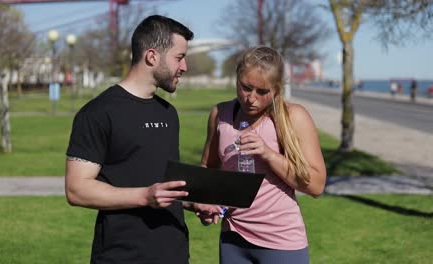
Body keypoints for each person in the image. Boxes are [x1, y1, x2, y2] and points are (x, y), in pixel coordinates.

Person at [65, 15, 219, 264]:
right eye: (179, 57)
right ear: (152, 56)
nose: (185, 67)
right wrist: (145, 196)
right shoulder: (97, 113)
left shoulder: (168, 113)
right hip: (121, 256)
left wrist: (193, 203)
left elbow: (161, 184)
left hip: (175, 254)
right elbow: (76, 189)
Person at [200, 46, 327, 264]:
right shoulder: (220, 114)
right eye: (245, 87)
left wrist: (268, 154)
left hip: (282, 243)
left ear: (277, 90)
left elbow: (316, 186)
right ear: (237, 78)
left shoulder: (293, 117)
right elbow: (207, 171)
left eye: (262, 92)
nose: (251, 98)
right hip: (233, 239)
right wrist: (205, 203)